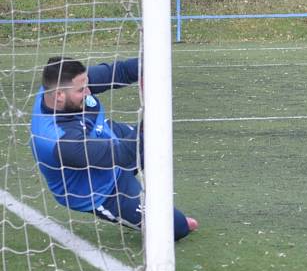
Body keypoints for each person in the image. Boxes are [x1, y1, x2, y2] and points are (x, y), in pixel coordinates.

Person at [30, 56, 198, 241]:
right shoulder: (60, 142)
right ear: (59, 95)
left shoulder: (65, 86)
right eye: (81, 90)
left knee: (159, 143)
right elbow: (122, 155)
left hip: (105, 137)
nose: (88, 91)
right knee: (177, 227)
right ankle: (154, 211)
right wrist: (154, 112)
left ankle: (153, 203)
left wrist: (151, 64)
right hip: (102, 189)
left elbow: (119, 71)